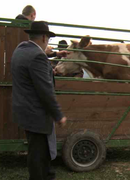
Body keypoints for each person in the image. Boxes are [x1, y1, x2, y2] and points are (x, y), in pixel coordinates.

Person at [11, 21, 67, 180]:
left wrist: (56, 55)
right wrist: (58, 115)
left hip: (24, 112)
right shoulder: (38, 57)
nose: (48, 42)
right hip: (37, 115)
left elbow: (34, 64)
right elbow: (46, 91)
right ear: (44, 37)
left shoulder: (20, 49)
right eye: (48, 39)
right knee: (39, 156)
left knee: (37, 152)